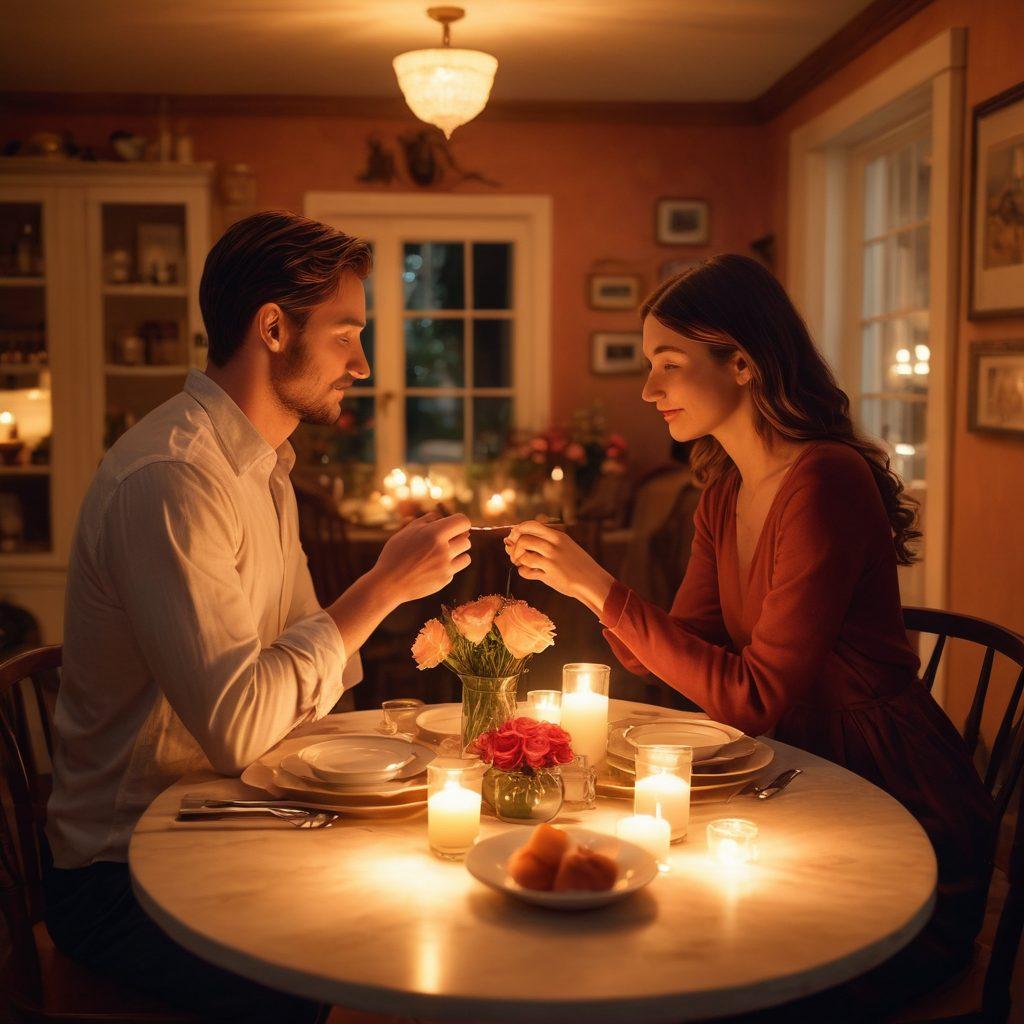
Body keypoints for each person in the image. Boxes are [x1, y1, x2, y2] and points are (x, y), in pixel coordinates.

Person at [506, 254, 995, 1016]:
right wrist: (588, 592)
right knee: (627, 930)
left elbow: (752, 696)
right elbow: (683, 651)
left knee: (703, 970)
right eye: (647, 366)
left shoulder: (826, 481)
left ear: (743, 363)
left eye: (669, 364)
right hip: (788, 774)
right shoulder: (725, 487)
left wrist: (600, 587)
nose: (648, 389)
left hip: (886, 799)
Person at [44, 211, 472, 1022]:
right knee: (387, 972)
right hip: (126, 874)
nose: (363, 362)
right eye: (346, 335)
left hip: (232, 819)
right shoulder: (173, 478)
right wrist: (380, 589)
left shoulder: (263, 467)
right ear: (273, 328)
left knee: (438, 906)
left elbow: (321, 676)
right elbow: (242, 726)